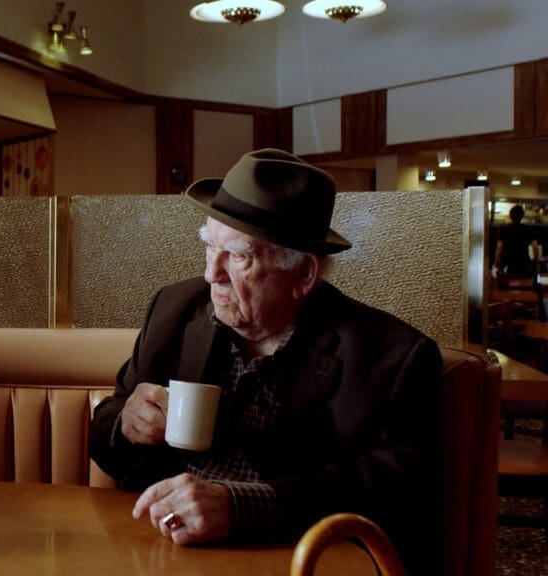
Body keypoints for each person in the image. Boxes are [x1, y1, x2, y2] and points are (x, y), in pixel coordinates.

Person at [89, 149, 440, 573]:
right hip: (161, 555)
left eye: (238, 256)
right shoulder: (174, 309)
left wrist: (241, 507)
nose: (211, 274)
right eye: (208, 247)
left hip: (298, 560)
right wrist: (126, 422)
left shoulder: (391, 357)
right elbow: (107, 425)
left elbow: (389, 489)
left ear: (303, 275)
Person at [493, 204, 540, 284]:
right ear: (522, 216)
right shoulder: (528, 229)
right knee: (524, 286)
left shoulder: (504, 229)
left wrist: (496, 262)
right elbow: (535, 247)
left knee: (506, 286)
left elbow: (499, 248)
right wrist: (535, 261)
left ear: (510, 216)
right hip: (523, 263)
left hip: (507, 263)